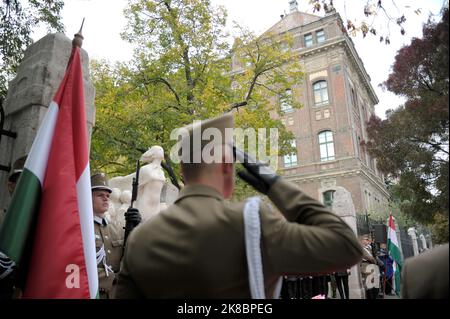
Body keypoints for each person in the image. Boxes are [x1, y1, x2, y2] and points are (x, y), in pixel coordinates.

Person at [114, 113, 363, 298]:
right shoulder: (252, 224)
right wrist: (277, 185)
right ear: (226, 165)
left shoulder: (141, 238)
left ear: (182, 171)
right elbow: (346, 246)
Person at [91, 173, 124, 299]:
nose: (106, 199)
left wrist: (135, 226)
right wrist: (111, 278)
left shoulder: (117, 228)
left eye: (108, 196)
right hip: (92, 292)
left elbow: (129, 256)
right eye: (100, 195)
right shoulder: (81, 229)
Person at [359, 234, 382, 299]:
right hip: (365, 267)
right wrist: (374, 261)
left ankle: (375, 296)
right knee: (369, 284)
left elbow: (373, 256)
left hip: (371, 265)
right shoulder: (361, 249)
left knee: (374, 282)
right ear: (362, 240)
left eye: (368, 239)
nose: (368, 241)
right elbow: (370, 258)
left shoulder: (368, 248)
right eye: (366, 239)